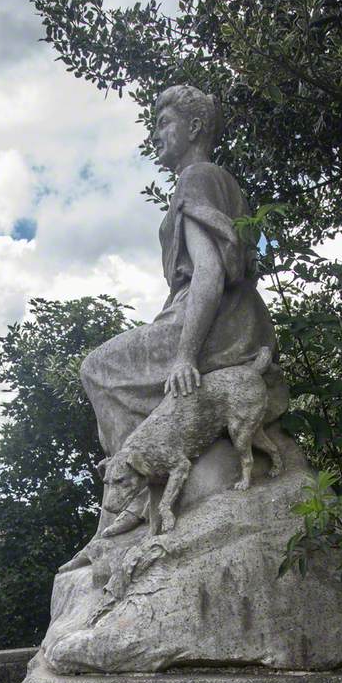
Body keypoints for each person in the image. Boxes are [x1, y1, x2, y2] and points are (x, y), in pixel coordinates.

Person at [73, 85, 288, 554]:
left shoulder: (197, 177)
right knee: (110, 369)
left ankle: (132, 492)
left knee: (99, 368)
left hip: (216, 321)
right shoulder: (220, 180)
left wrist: (185, 355)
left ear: (194, 127)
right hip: (233, 317)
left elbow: (209, 273)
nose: (154, 135)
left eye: (162, 123)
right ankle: (142, 487)